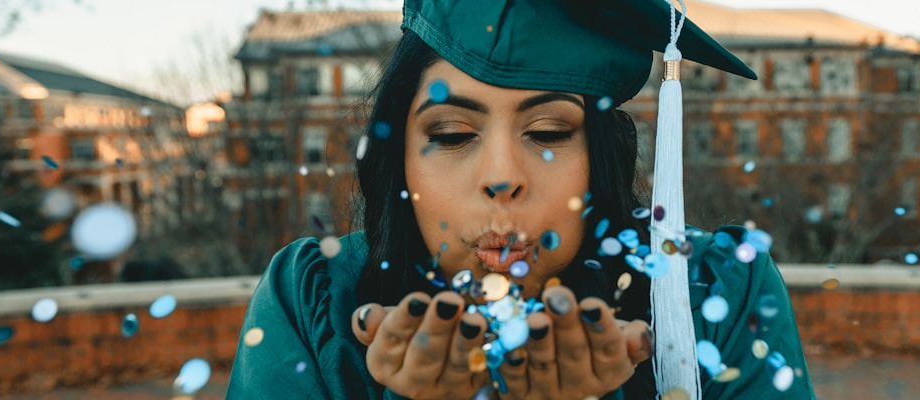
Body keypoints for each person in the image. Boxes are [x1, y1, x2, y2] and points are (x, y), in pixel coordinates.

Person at [227, 0, 817, 399]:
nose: (502, 177)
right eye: (453, 134)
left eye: (549, 132)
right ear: (397, 155)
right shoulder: (314, 302)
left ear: (601, 155)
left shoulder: (710, 295)